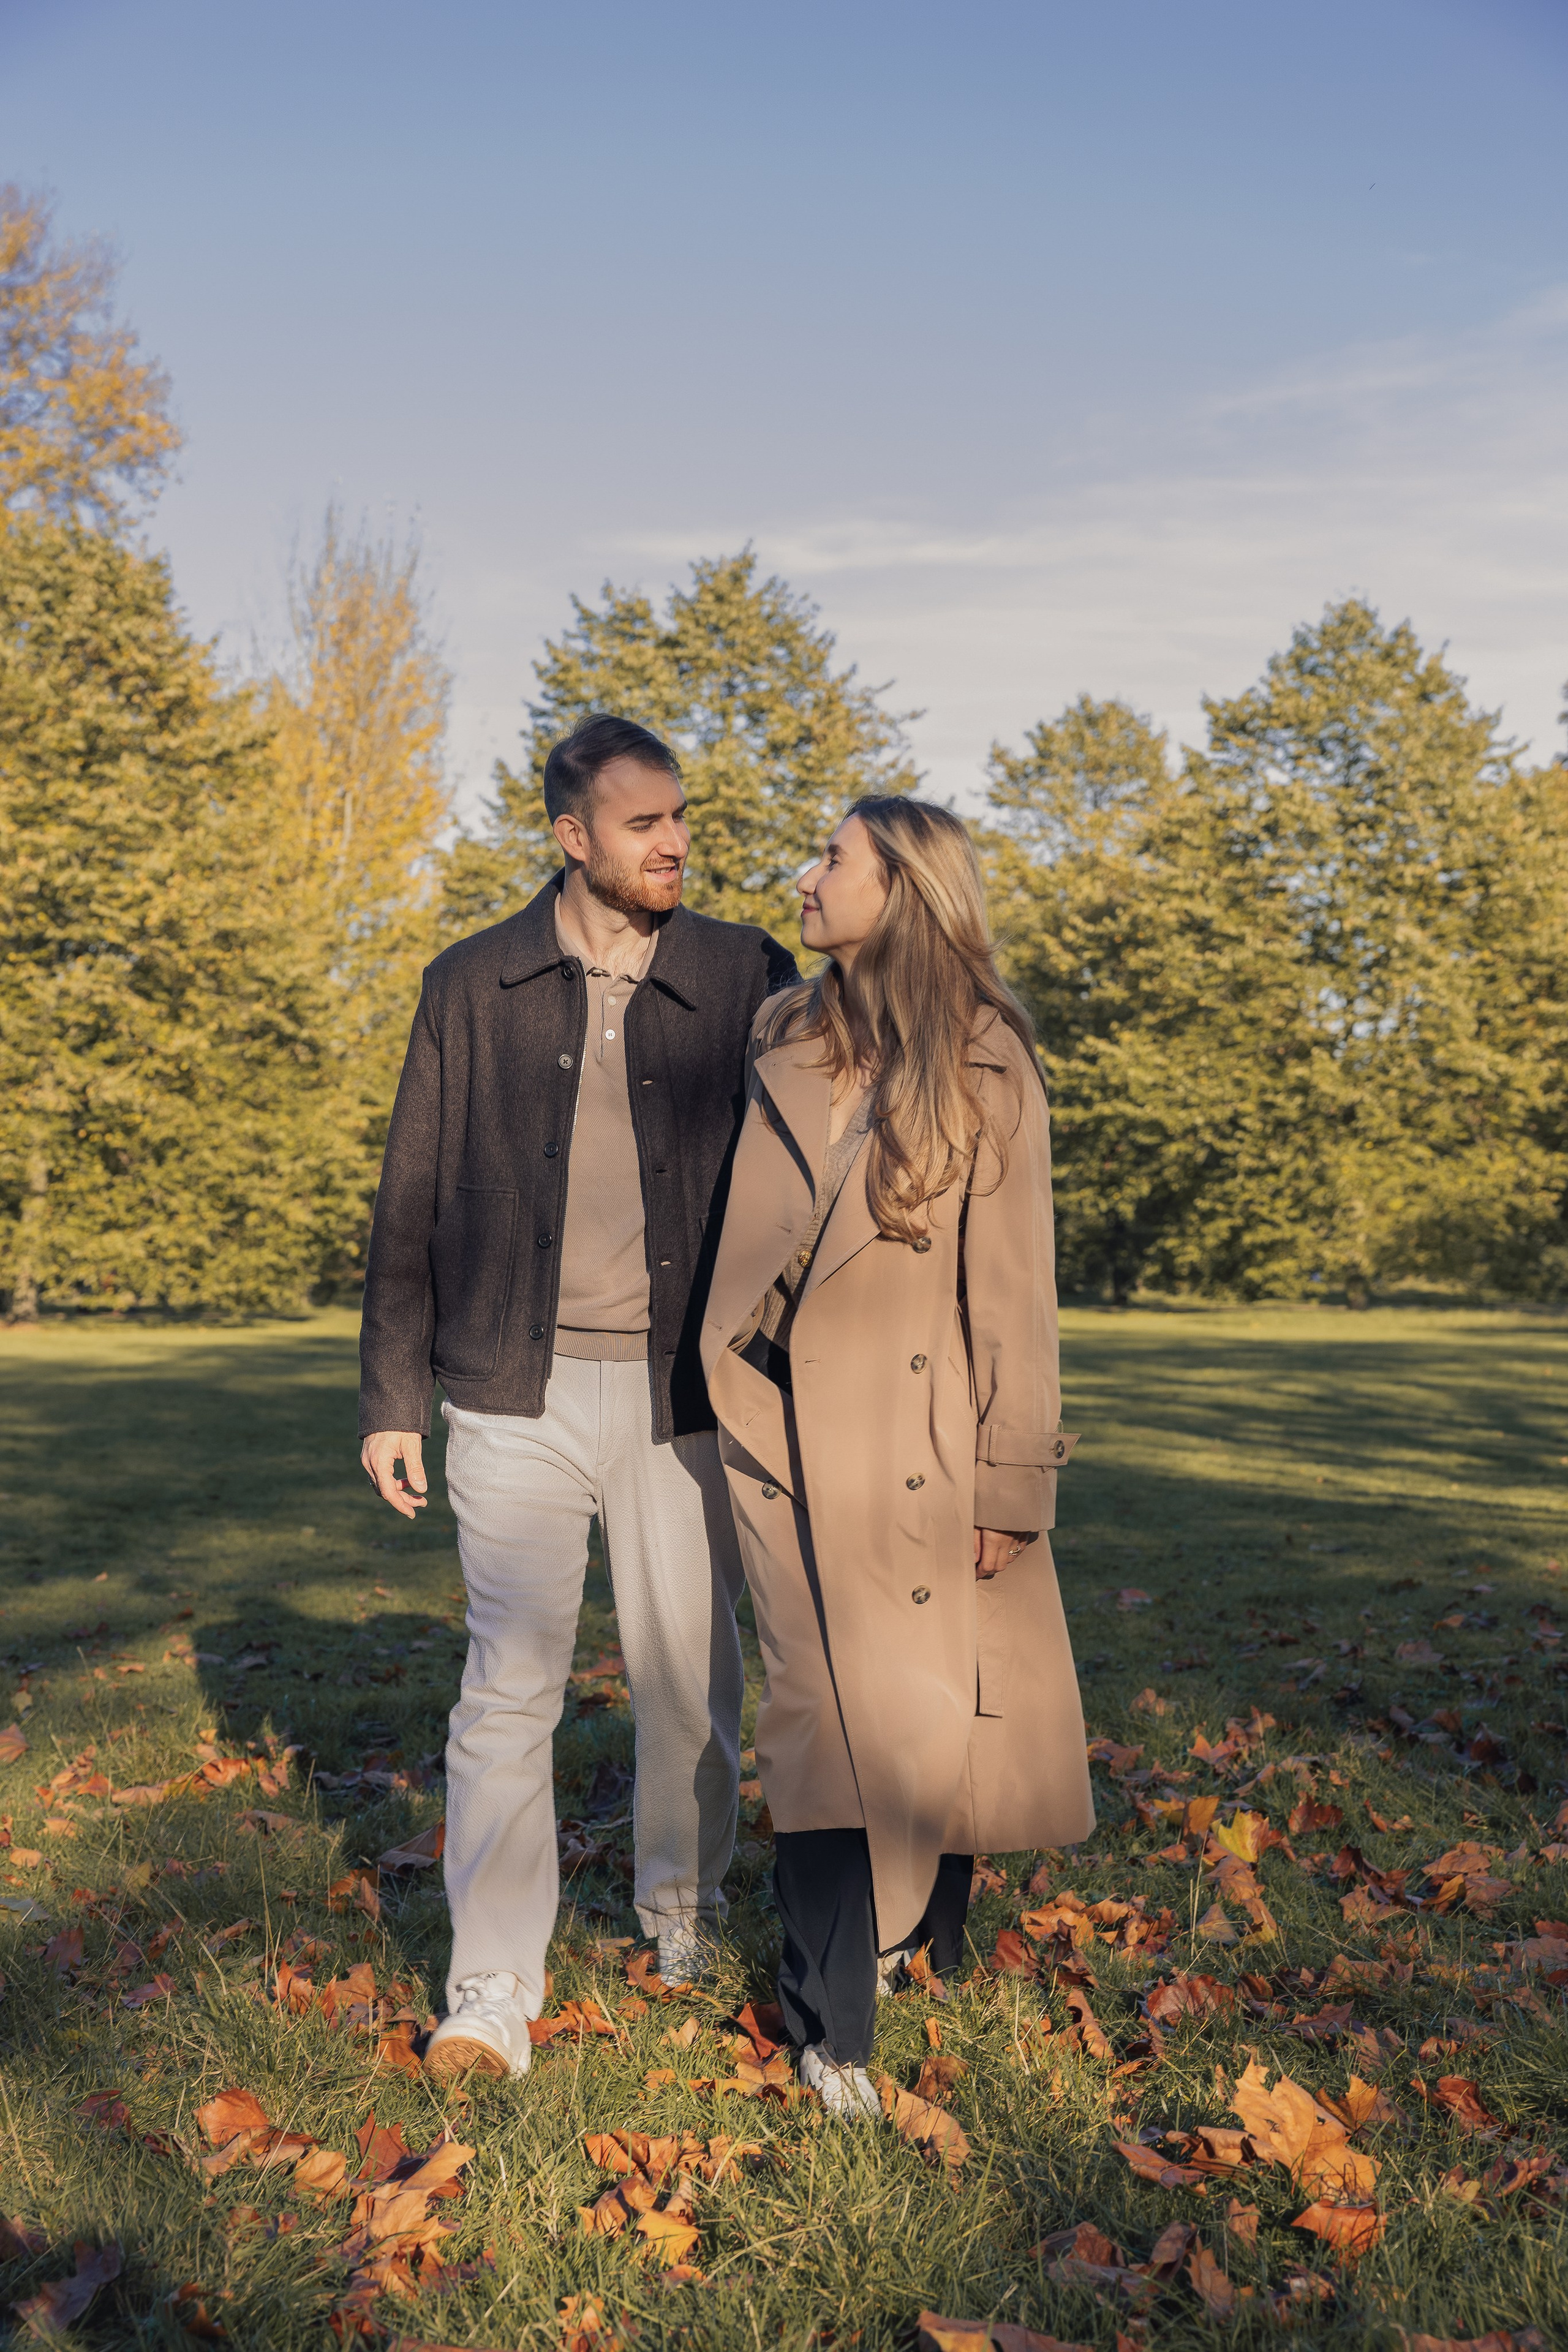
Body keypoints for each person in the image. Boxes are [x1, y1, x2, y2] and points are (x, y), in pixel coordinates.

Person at [359, 714, 797, 2082]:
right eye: (642, 823)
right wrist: (391, 1394)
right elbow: (410, 1199)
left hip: (684, 1394)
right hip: (511, 1392)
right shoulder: (471, 983)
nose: (673, 843)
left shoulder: (743, 972)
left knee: (688, 1683)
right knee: (508, 1688)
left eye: (680, 818)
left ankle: (680, 1907)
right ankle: (491, 1983)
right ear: (569, 836)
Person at [700, 796, 1093, 2118]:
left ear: (902, 892)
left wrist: (1009, 1482)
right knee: (818, 1719)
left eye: (830, 859)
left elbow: (1014, 1297)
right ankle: (831, 2028)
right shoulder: (782, 1035)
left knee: (930, 1712)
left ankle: (923, 1929)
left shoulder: (988, 1062)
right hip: (776, 1427)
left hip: (920, 1438)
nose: (801, 878)